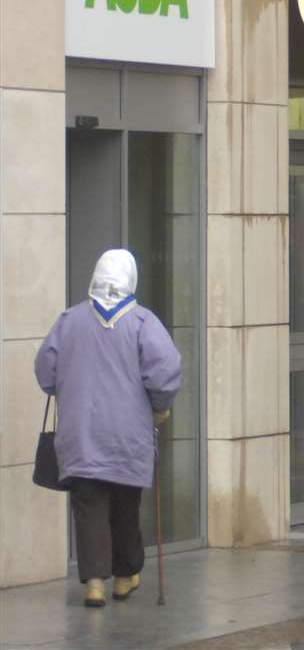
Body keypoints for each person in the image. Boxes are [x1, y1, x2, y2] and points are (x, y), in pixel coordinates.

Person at [34, 249, 182, 607]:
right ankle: (125, 576)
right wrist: (160, 410)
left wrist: (65, 387)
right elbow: (164, 373)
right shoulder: (143, 323)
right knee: (125, 507)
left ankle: (95, 583)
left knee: (88, 507)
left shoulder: (69, 321)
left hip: (80, 436)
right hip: (127, 439)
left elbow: (45, 369)